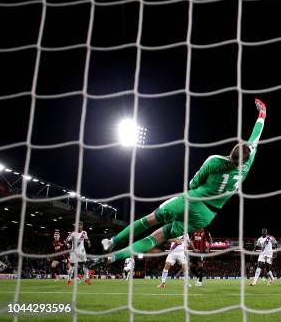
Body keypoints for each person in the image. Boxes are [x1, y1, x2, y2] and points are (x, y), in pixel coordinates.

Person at [95, 99, 267, 265]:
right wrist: (262, 114)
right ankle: (114, 257)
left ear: (232, 151)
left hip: (191, 201)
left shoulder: (215, 161)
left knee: (149, 220)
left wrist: (262, 112)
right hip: (206, 217)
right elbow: (256, 136)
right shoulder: (247, 165)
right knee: (157, 237)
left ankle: (112, 242)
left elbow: (193, 184)